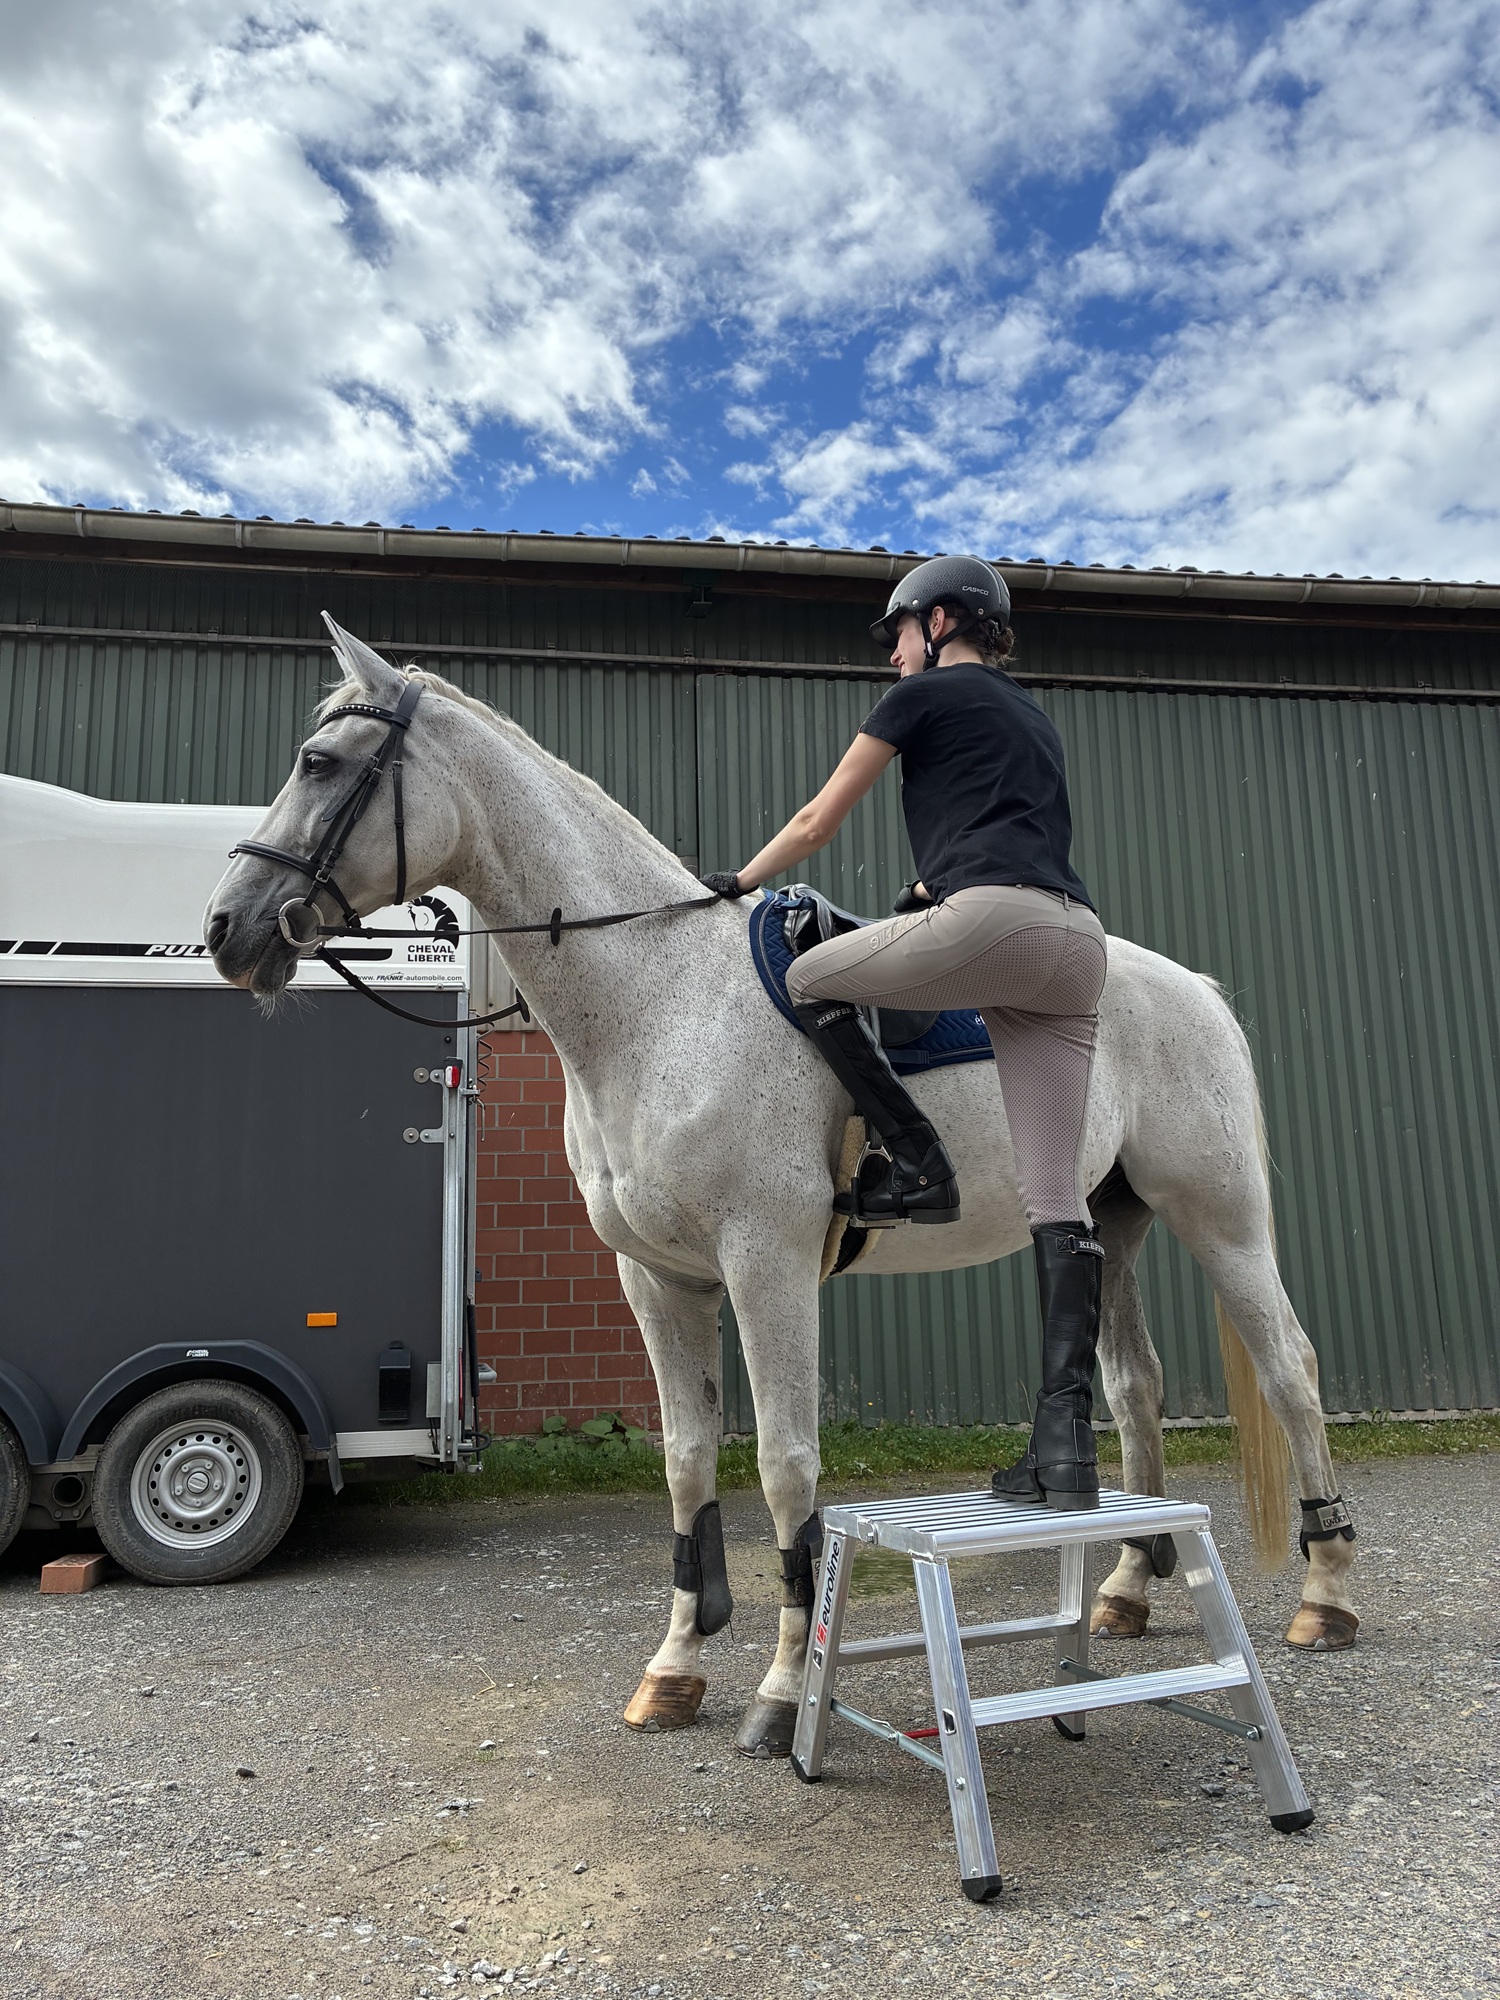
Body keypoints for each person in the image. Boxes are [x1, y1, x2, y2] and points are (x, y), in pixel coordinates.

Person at [701, 555, 1109, 1510]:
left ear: (940, 620)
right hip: (1077, 946)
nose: (891, 653)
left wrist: (738, 882)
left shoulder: (920, 699)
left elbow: (816, 822)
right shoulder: (1030, 714)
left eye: (897, 633)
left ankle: (918, 1160)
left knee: (808, 974)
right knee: (1059, 1198)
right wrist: (929, 885)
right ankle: (1065, 1453)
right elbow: (1009, 826)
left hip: (995, 924)